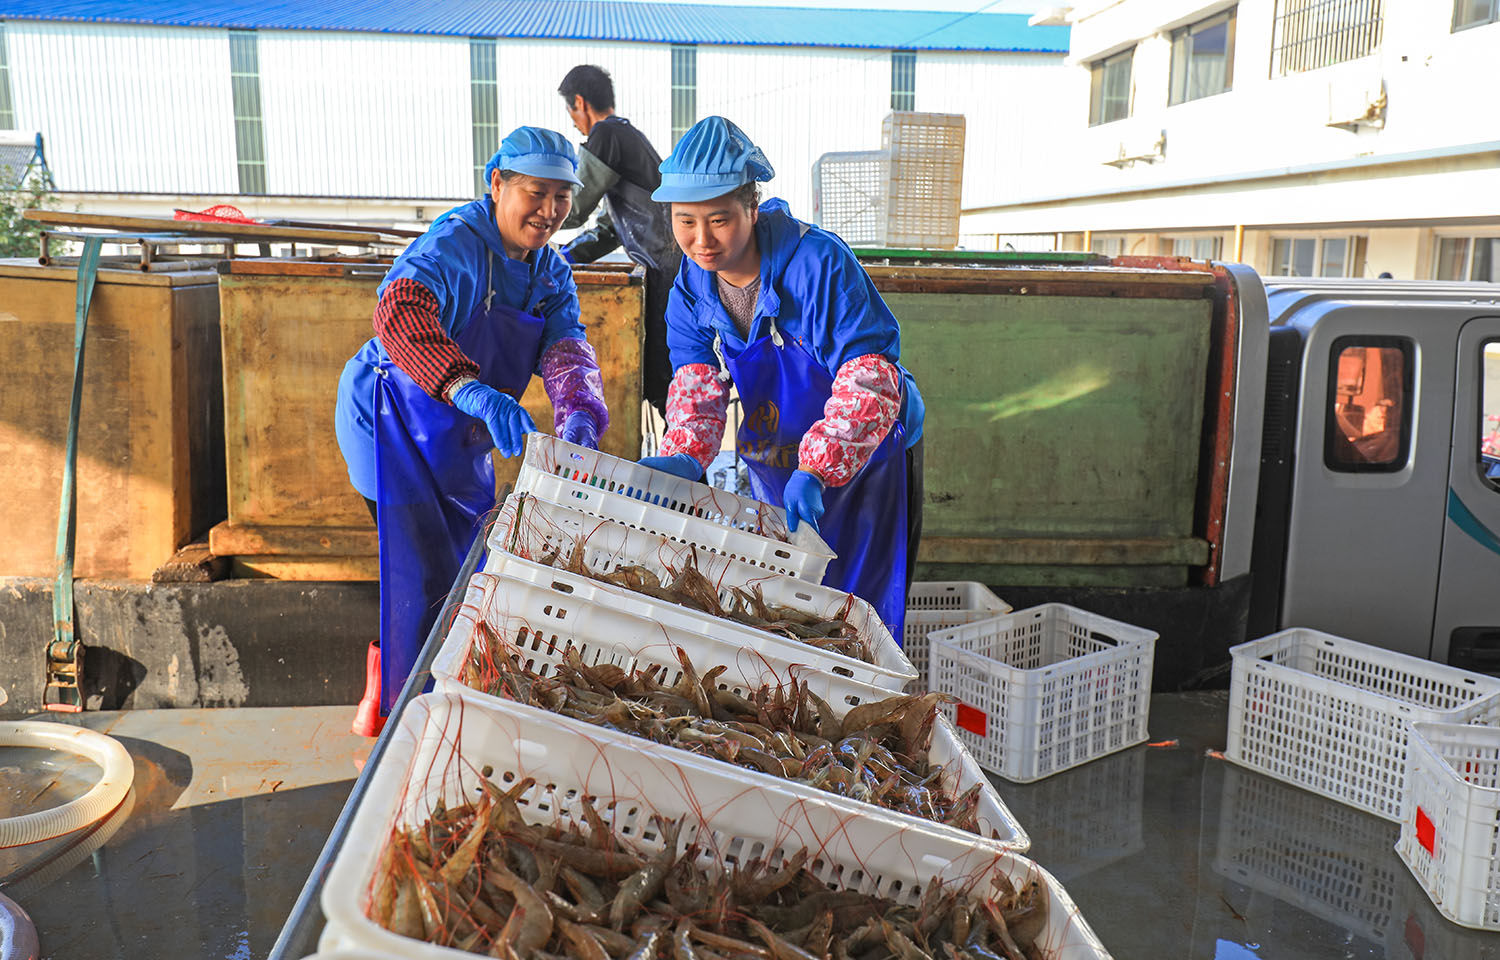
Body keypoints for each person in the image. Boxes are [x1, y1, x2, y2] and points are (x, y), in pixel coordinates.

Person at [334, 126, 609, 736]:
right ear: (497, 184)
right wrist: (469, 388)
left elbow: (566, 343)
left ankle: (414, 696)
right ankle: (401, 717)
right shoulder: (455, 242)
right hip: (393, 422)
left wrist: (578, 408)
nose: (549, 211)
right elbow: (398, 310)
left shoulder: (549, 270)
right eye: (535, 192)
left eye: (562, 197)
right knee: (419, 568)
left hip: (461, 440)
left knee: (464, 567)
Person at [639, 116, 925, 639]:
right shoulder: (691, 285)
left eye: (720, 220)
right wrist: (685, 451)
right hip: (778, 457)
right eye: (685, 221)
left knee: (861, 606)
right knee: (793, 603)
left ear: (751, 207)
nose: (701, 240)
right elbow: (696, 379)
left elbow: (872, 378)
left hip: (868, 451)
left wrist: (818, 468)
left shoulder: (818, 263)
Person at [556, 64, 680, 417]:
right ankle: (681, 461)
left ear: (579, 102)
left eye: (571, 111)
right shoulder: (626, 135)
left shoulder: (606, 134)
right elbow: (610, 227)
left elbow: (575, 208)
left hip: (665, 267)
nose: (573, 121)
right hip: (664, 265)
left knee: (663, 374)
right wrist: (564, 255)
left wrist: (532, 210)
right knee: (661, 373)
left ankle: (683, 464)